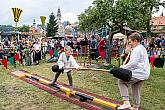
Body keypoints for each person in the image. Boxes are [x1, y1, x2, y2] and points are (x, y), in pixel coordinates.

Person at [118, 32, 150, 110]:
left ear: (135, 41)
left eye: (130, 42)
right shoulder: (142, 47)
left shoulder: (137, 49)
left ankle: (126, 103)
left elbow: (133, 63)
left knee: (121, 81)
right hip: (144, 73)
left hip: (139, 73)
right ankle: (135, 107)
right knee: (135, 88)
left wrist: (123, 67)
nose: (130, 44)